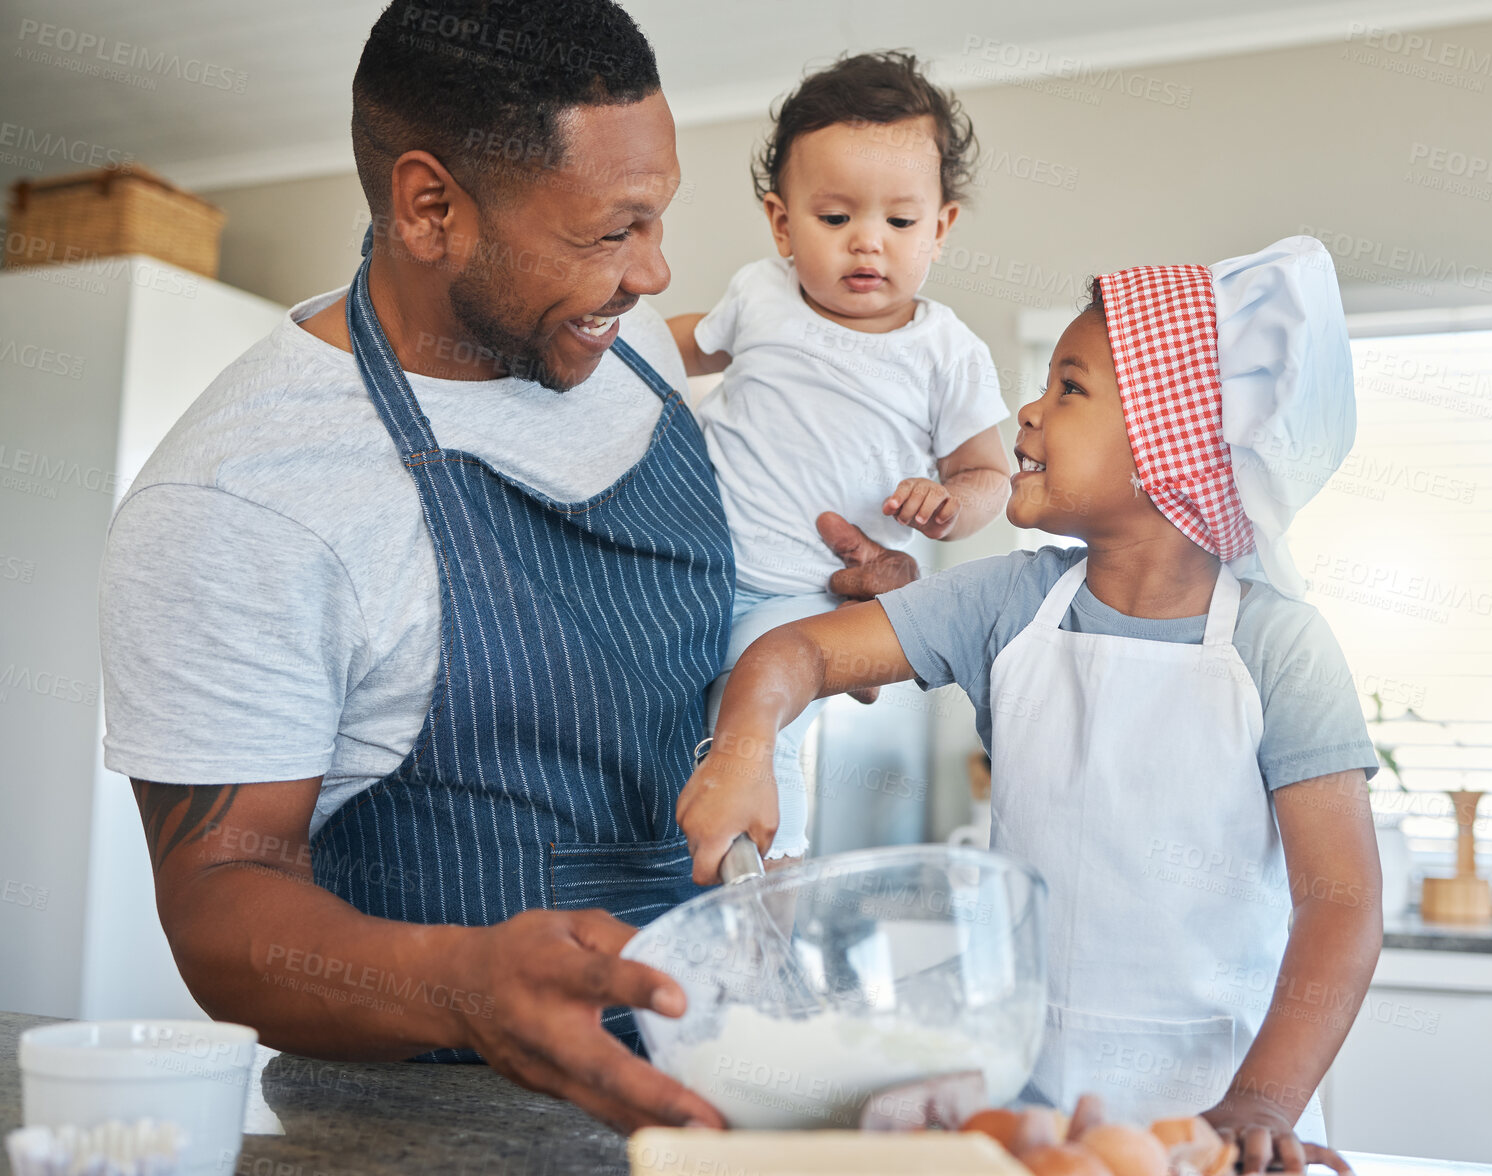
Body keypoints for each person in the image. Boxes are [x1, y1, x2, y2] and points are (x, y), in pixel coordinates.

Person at [98, 0, 917, 1133]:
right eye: (609, 231)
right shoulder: (244, 500)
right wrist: (457, 987)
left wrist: (793, 612)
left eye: (659, 218)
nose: (654, 272)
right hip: (437, 1126)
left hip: (732, 1069)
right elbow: (218, 907)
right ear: (432, 206)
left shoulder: (613, 346)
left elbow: (673, 621)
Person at [678, 237, 1383, 1171]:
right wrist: (738, 748)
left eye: (1071, 388)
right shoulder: (1006, 603)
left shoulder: (1279, 646)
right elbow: (793, 651)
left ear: (1175, 442)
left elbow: (1339, 903)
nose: (1028, 411)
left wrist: (1261, 1099)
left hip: (1217, 1123)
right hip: (1028, 1114)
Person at [667, 52, 1011, 861]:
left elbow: (989, 472)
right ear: (782, 222)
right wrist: (610, 338)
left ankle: (774, 876)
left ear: (940, 227)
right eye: (833, 220)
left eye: (898, 222)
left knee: (755, 723)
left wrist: (951, 502)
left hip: (808, 597)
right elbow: (680, 343)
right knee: (672, 724)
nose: (867, 244)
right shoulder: (760, 295)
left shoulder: (945, 352)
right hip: (696, 571)